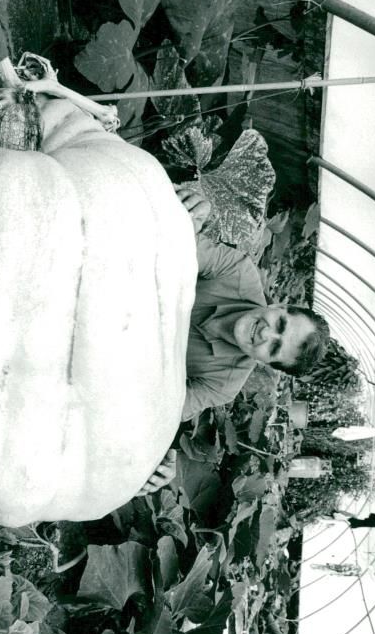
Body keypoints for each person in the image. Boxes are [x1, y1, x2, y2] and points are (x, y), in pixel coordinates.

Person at [138, 183, 330, 495]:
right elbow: (176, 245)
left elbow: (162, 412)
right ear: (279, 306)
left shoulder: (223, 385)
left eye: (275, 347)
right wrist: (193, 213)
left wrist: (155, 460)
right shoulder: (239, 273)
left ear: (268, 364)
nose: (266, 332)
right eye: (279, 322)